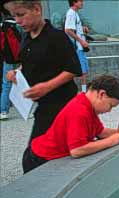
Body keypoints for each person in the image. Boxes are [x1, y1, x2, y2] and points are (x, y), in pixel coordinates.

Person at [22, 75, 119, 173]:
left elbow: (100, 131)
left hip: (45, 155)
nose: (109, 110)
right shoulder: (79, 111)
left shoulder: (87, 104)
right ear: (102, 94)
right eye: (111, 105)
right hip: (39, 159)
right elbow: (77, 150)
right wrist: (112, 141)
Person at [4, 0, 82, 142]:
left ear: (37, 9)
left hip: (62, 104)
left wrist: (47, 86)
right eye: (14, 16)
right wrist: (16, 72)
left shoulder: (57, 37)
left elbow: (73, 69)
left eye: (21, 14)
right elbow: (29, 63)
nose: (18, 21)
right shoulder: (26, 38)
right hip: (42, 104)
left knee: (38, 152)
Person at [0, 9, 21, 120]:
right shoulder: (16, 23)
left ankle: (3, 111)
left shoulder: (3, 26)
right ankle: (25, 109)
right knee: (21, 83)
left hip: (7, 59)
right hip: (19, 59)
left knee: (6, 85)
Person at [64, 0, 89, 92]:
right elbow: (67, 30)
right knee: (81, 72)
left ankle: (82, 92)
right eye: (80, 1)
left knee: (83, 71)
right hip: (77, 47)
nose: (82, 3)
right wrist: (81, 41)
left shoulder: (74, 13)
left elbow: (72, 28)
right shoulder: (71, 13)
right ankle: (83, 93)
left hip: (78, 47)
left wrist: (82, 29)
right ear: (74, 2)